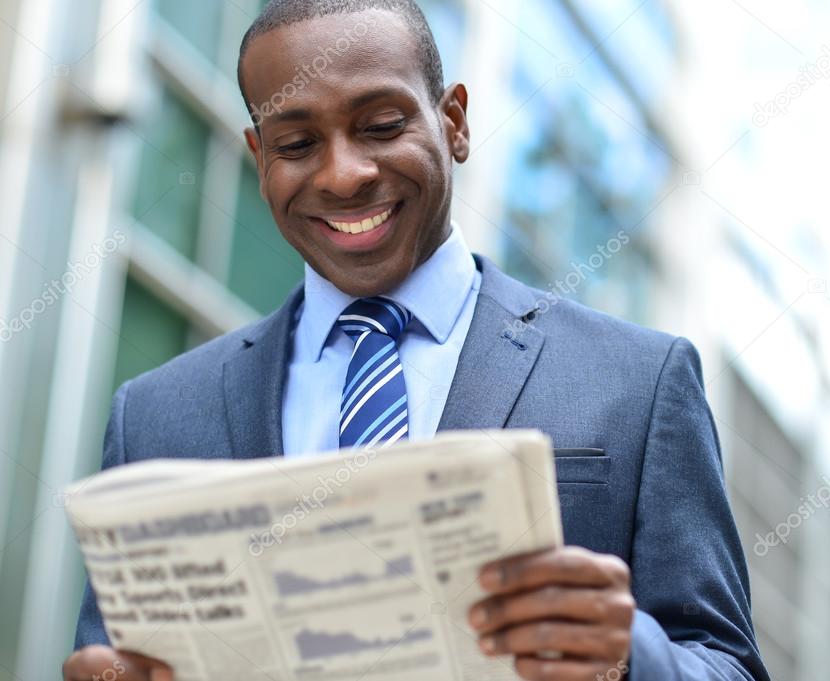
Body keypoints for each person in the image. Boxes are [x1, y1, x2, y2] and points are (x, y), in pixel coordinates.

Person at [63, 1, 771, 680]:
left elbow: (723, 662)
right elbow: (114, 655)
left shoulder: (638, 380)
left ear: (453, 122)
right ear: (258, 158)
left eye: (379, 125)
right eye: (297, 144)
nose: (344, 174)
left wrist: (626, 657)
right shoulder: (153, 417)